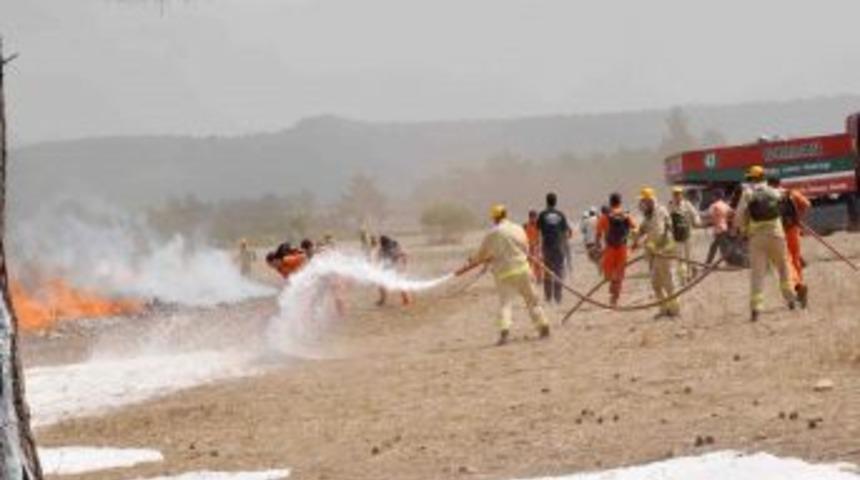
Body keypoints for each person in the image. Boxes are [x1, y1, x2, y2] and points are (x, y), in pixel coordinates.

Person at [457, 204, 550, 345]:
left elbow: (481, 254)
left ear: (494, 218)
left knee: (505, 304)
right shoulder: (518, 228)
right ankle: (543, 327)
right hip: (522, 269)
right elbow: (526, 247)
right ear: (505, 215)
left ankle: (504, 332)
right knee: (532, 301)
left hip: (503, 274)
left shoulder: (491, 234)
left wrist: (472, 260)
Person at [735, 166, 797, 322]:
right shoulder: (774, 191)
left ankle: (756, 309)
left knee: (757, 274)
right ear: (763, 177)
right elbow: (787, 205)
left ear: (750, 179)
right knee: (783, 268)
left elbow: (739, 217)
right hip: (777, 235)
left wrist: (742, 230)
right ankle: (790, 299)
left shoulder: (747, 194)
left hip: (757, 239)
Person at [632, 187, 680, 318]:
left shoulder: (659, 212)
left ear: (649, 201)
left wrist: (650, 245)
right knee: (656, 284)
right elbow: (643, 228)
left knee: (668, 282)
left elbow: (659, 233)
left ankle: (674, 309)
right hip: (655, 254)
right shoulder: (649, 214)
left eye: (643, 202)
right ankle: (664, 309)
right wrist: (637, 233)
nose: (641, 204)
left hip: (664, 251)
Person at [768, 176, 812, 308]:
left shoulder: (768, 196)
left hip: (778, 232)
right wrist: (798, 219)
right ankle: (799, 287)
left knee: (785, 262)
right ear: (779, 183)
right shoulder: (790, 193)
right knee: (795, 259)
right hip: (793, 230)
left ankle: (796, 287)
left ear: (769, 184)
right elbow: (807, 204)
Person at [595, 194, 636, 307]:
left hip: (610, 249)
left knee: (609, 274)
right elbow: (635, 229)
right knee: (620, 274)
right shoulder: (626, 215)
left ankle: (613, 287)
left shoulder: (605, 217)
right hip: (622, 248)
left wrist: (598, 246)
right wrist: (634, 244)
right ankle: (615, 298)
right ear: (620, 202)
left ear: (610, 203)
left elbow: (598, 234)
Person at [537, 192, 571, 304]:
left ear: (546, 202)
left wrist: (539, 249)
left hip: (547, 247)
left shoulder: (542, 215)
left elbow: (538, 233)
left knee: (547, 272)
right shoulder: (561, 215)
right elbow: (565, 233)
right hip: (558, 247)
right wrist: (565, 248)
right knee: (558, 271)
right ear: (555, 202)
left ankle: (548, 298)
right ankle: (558, 297)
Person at [668, 186, 701, 284]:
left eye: (679, 194)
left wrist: (697, 221)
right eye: (675, 194)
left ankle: (691, 272)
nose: (677, 196)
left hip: (688, 234)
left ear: (682, 195)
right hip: (677, 236)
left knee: (689, 256)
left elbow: (695, 214)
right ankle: (684, 277)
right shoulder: (670, 206)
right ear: (673, 195)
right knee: (680, 258)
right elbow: (667, 218)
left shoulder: (687, 204)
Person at [376, 235, 412, 307]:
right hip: (390, 269)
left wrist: (404, 265)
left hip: (395, 269)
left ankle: (406, 300)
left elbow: (403, 255)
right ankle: (383, 300)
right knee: (382, 284)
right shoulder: (385, 249)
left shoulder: (393, 247)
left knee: (400, 284)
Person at [705, 189, 734, 264]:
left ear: (715, 196)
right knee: (720, 246)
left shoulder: (714, 206)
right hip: (724, 228)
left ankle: (708, 262)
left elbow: (709, 216)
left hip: (718, 229)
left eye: (713, 196)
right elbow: (732, 213)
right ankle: (727, 261)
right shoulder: (725, 205)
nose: (712, 197)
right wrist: (726, 219)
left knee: (715, 247)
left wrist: (707, 223)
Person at [523, 210, 543, 283]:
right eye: (532, 217)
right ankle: (528, 279)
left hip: (537, 247)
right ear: (530, 218)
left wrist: (539, 246)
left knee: (538, 264)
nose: (534, 219)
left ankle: (539, 279)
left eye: (535, 217)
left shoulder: (539, 226)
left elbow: (541, 236)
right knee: (528, 264)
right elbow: (522, 236)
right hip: (528, 247)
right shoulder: (525, 225)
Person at [580, 207, 601, 273]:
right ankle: (599, 268)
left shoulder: (586, 220)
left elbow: (582, 230)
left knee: (593, 258)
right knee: (599, 257)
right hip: (598, 242)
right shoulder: (599, 219)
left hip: (589, 242)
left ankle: (598, 268)